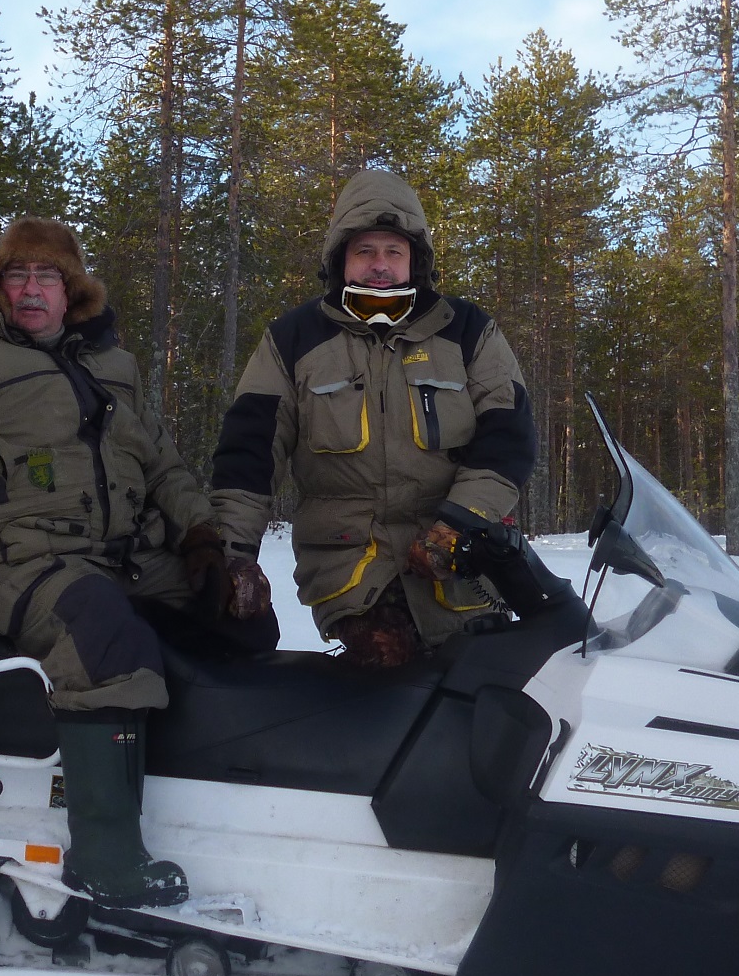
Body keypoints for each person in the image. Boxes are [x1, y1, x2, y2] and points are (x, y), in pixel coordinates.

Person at [0, 216, 273, 908]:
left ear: (72, 293)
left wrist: (201, 539)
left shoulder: (111, 367)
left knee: (243, 622)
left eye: (49, 277)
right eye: (18, 275)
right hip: (13, 556)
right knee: (103, 638)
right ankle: (105, 853)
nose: (33, 289)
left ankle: (198, 787)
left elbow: (163, 464)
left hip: (124, 556)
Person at [210, 169, 535, 667]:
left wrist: (460, 524)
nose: (380, 265)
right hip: (352, 565)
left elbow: (509, 436)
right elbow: (249, 452)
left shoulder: (469, 332)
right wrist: (234, 556)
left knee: (497, 678)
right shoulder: (292, 340)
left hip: (460, 556)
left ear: (415, 261)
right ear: (340, 259)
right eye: (365, 251)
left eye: (393, 252)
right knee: (391, 667)